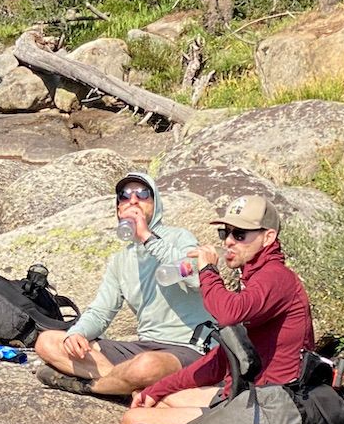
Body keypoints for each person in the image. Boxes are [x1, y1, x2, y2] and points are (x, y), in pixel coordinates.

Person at [117, 193, 315, 424]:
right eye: (225, 232)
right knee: (162, 400)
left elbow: (229, 314)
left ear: (268, 237)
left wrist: (208, 271)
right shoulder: (255, 279)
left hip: (270, 406)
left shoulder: (276, 277)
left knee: (132, 420)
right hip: (247, 396)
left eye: (240, 233)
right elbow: (219, 361)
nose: (228, 242)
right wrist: (155, 390)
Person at [31, 171, 216, 399]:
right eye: (125, 196)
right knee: (48, 341)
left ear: (155, 203)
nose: (133, 201)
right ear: (119, 209)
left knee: (146, 366)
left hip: (189, 348)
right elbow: (100, 312)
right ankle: (125, 385)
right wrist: (77, 334)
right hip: (144, 345)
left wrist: (147, 237)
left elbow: (197, 276)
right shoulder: (120, 260)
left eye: (142, 194)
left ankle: (97, 386)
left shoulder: (178, 238)